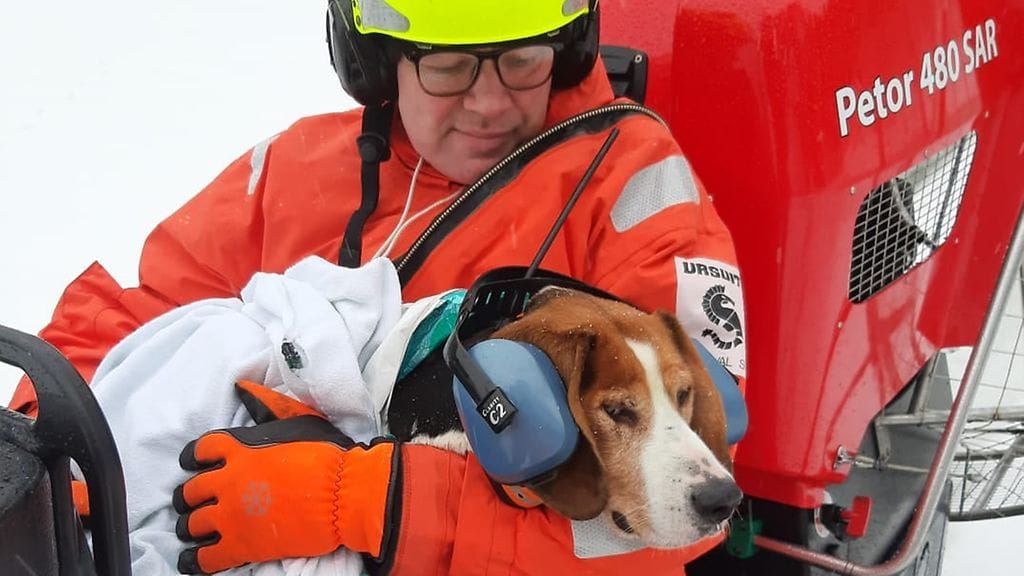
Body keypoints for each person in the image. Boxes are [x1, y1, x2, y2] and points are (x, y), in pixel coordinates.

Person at [10, 0, 747, 574]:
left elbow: (676, 523)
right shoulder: (297, 166)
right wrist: (43, 445)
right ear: (376, 61)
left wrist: (367, 504)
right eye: (450, 66)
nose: (490, 103)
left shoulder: (635, 191)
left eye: (522, 61)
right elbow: (138, 316)